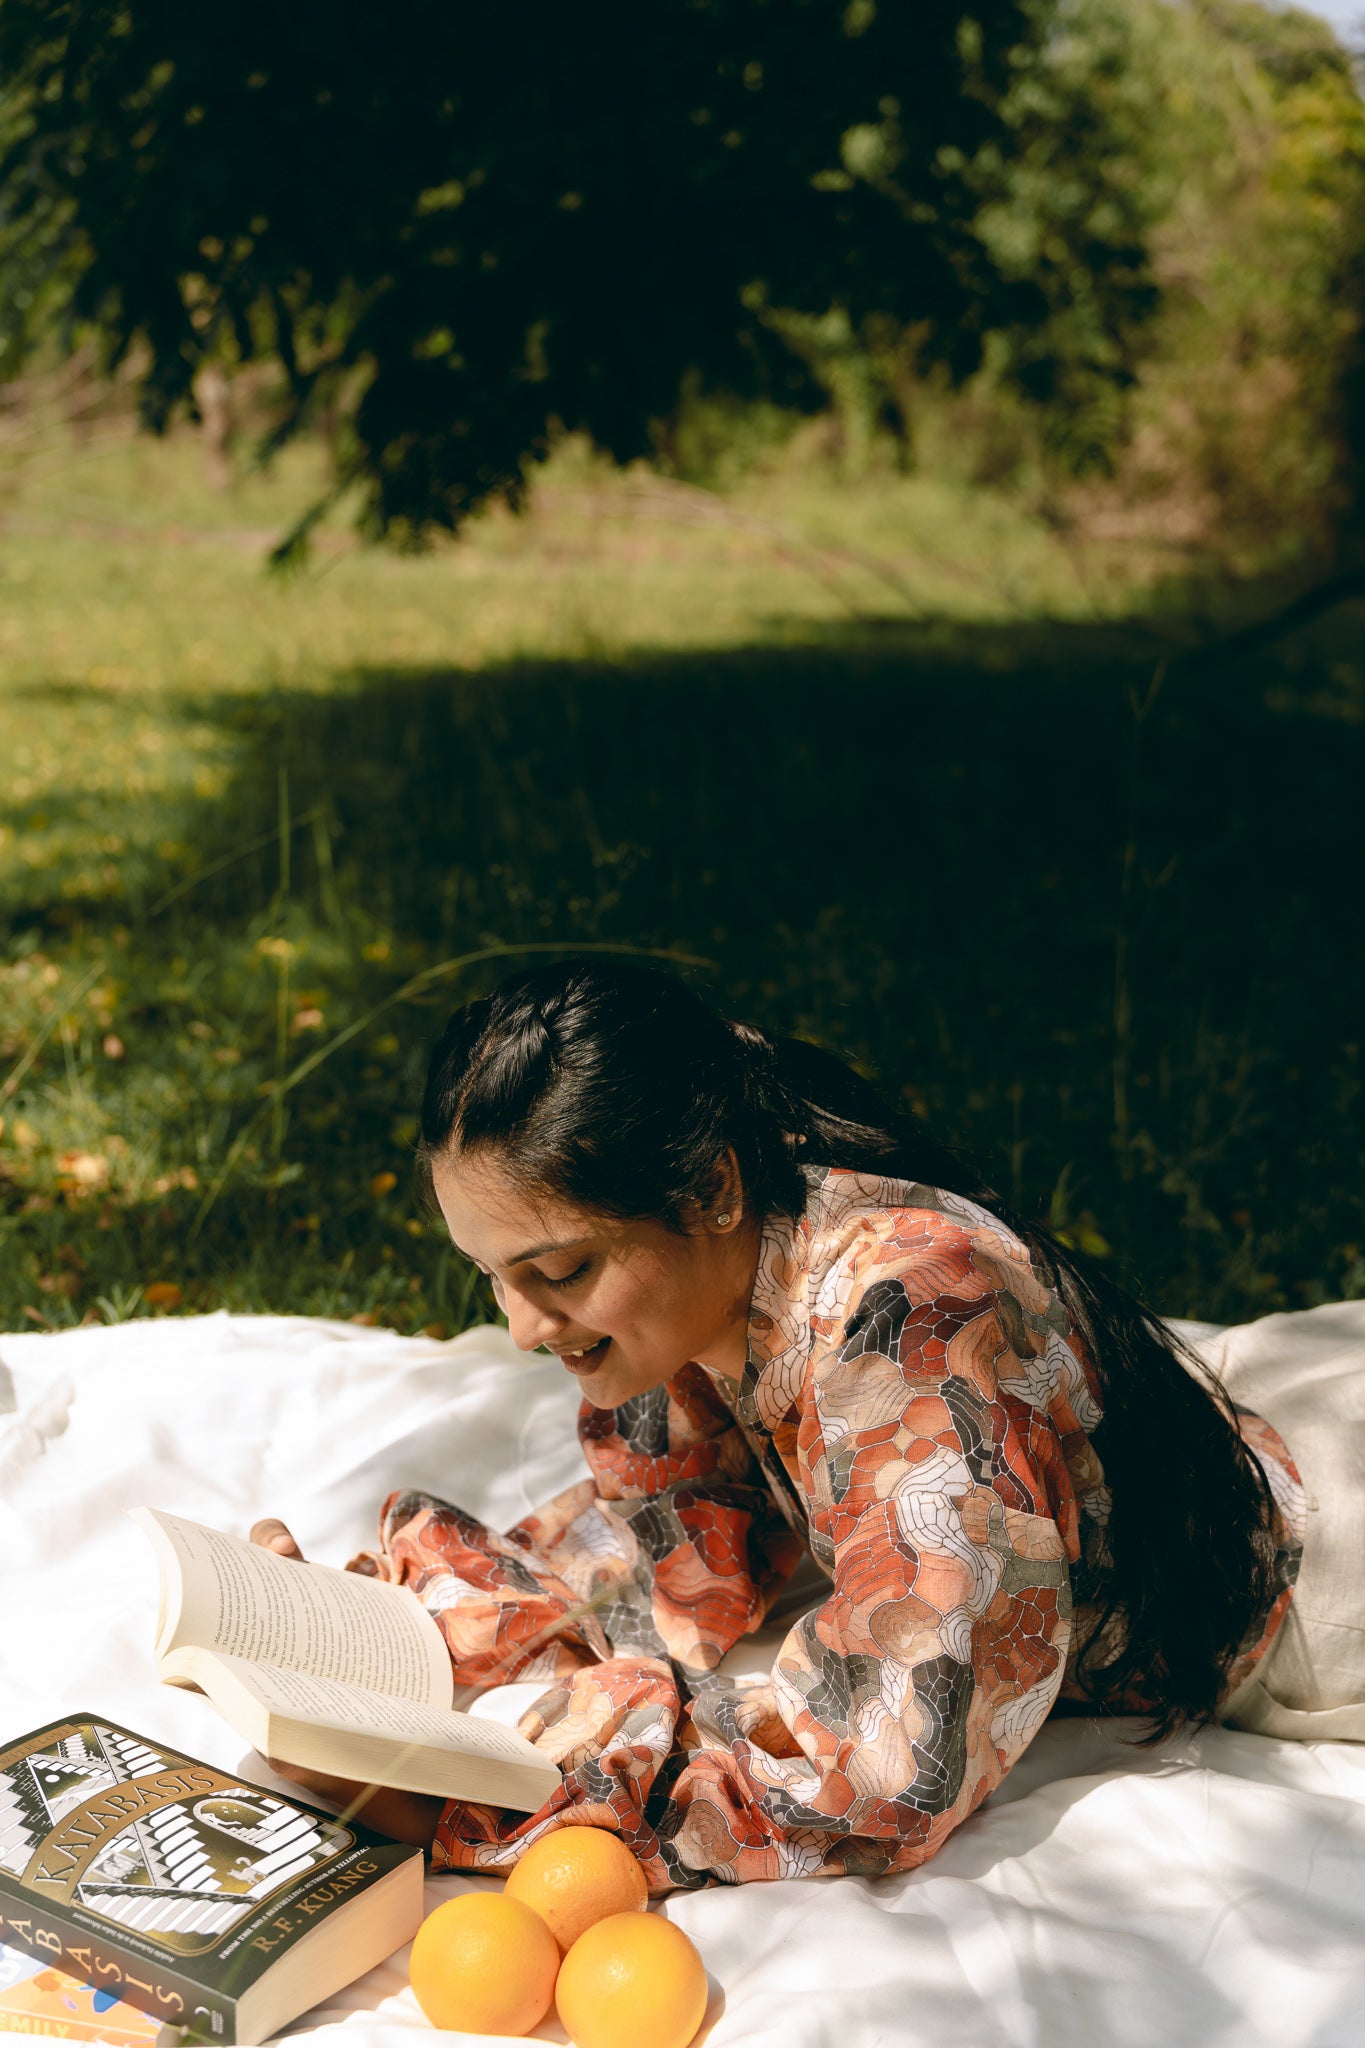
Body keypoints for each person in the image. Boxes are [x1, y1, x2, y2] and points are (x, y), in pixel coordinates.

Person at [252, 959, 1323, 1890]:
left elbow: (898, 1762)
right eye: (492, 1275)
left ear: (710, 1188)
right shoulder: (705, 1274)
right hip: (1195, 1429)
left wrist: (479, 1804)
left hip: (1296, 1588)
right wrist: (373, 1625)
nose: (524, 1325)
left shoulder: (907, 1327)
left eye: (562, 1269)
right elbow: (666, 1553)